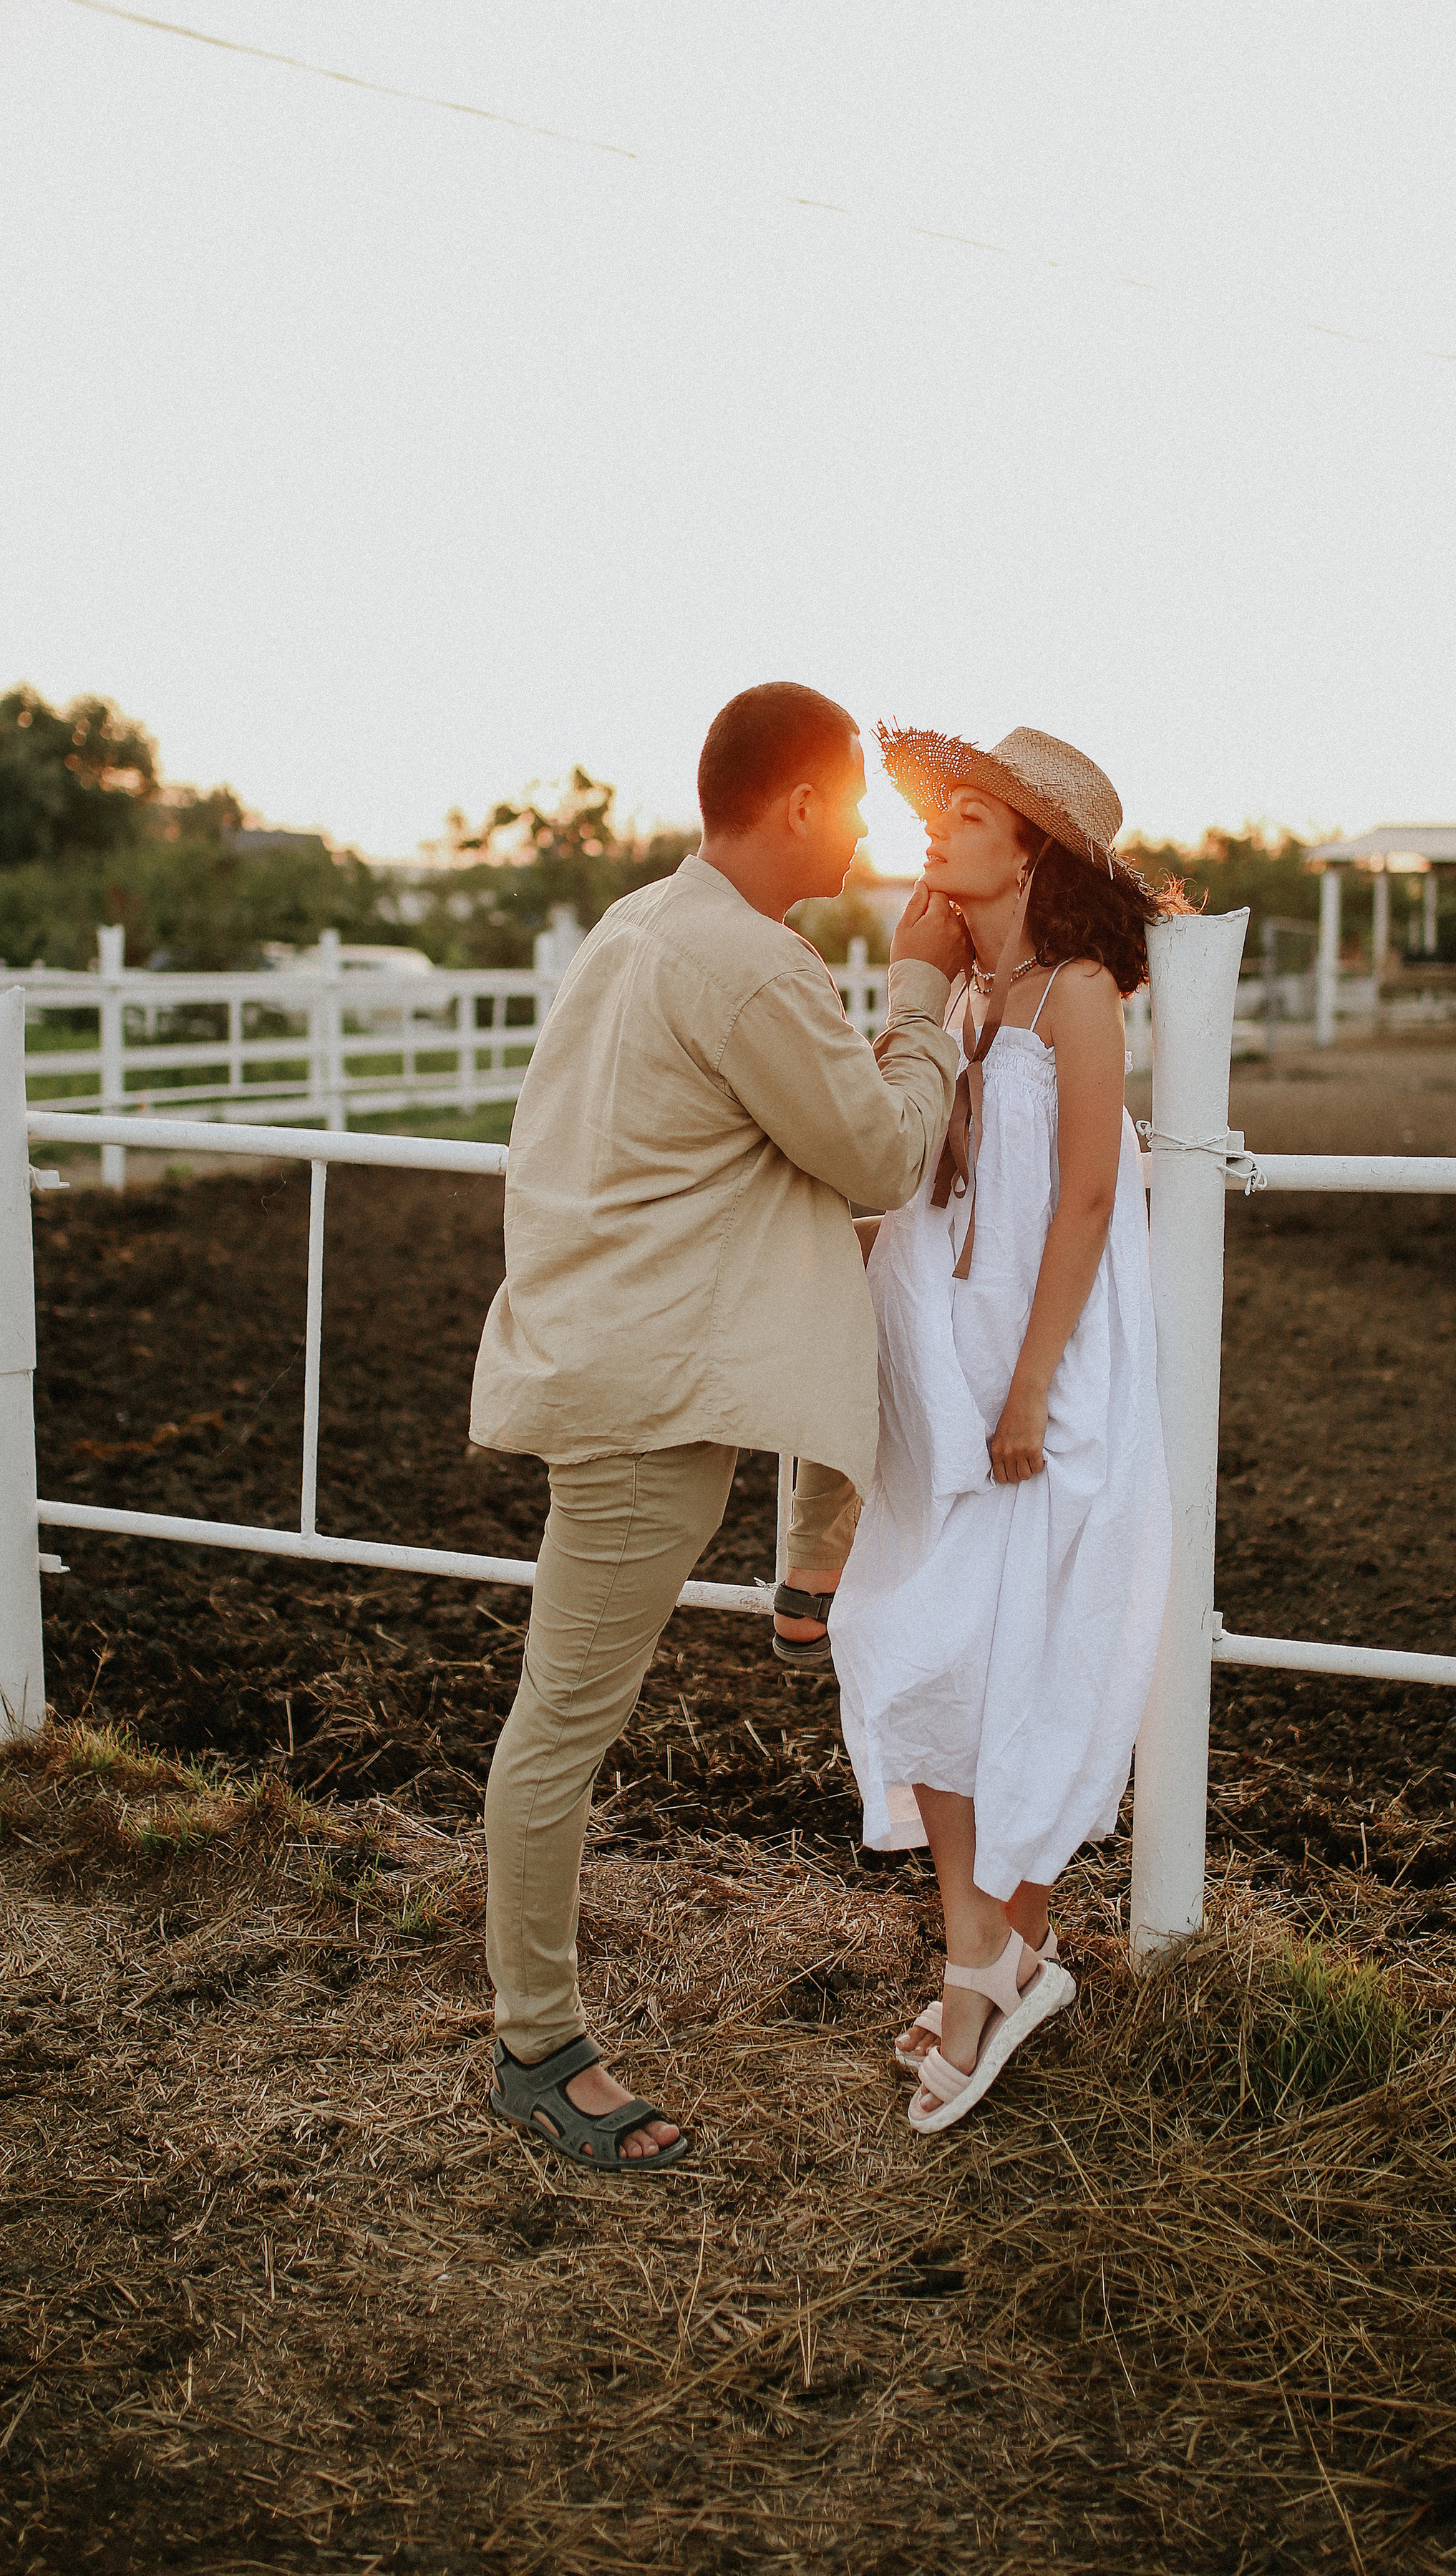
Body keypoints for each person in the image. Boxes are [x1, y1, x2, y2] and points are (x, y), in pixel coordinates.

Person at [468, 681, 968, 2169]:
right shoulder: (752, 968)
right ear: (803, 803)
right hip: (646, 1391)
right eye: (856, 805)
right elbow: (877, 1155)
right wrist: (919, 1001)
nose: (871, 834)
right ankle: (534, 2046)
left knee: (560, 1711)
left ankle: (807, 1573)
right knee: (561, 1721)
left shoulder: (636, 927)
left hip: (605, 1352)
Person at [798, 725, 1180, 2134]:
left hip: (1043, 1385)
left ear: (1031, 850)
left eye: (966, 817)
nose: (933, 831)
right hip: (950, 1388)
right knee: (921, 1660)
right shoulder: (964, 993)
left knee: (1001, 1677)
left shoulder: (1076, 992)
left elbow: (1086, 1199)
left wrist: (1028, 1388)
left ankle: (980, 1975)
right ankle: (995, 1956)